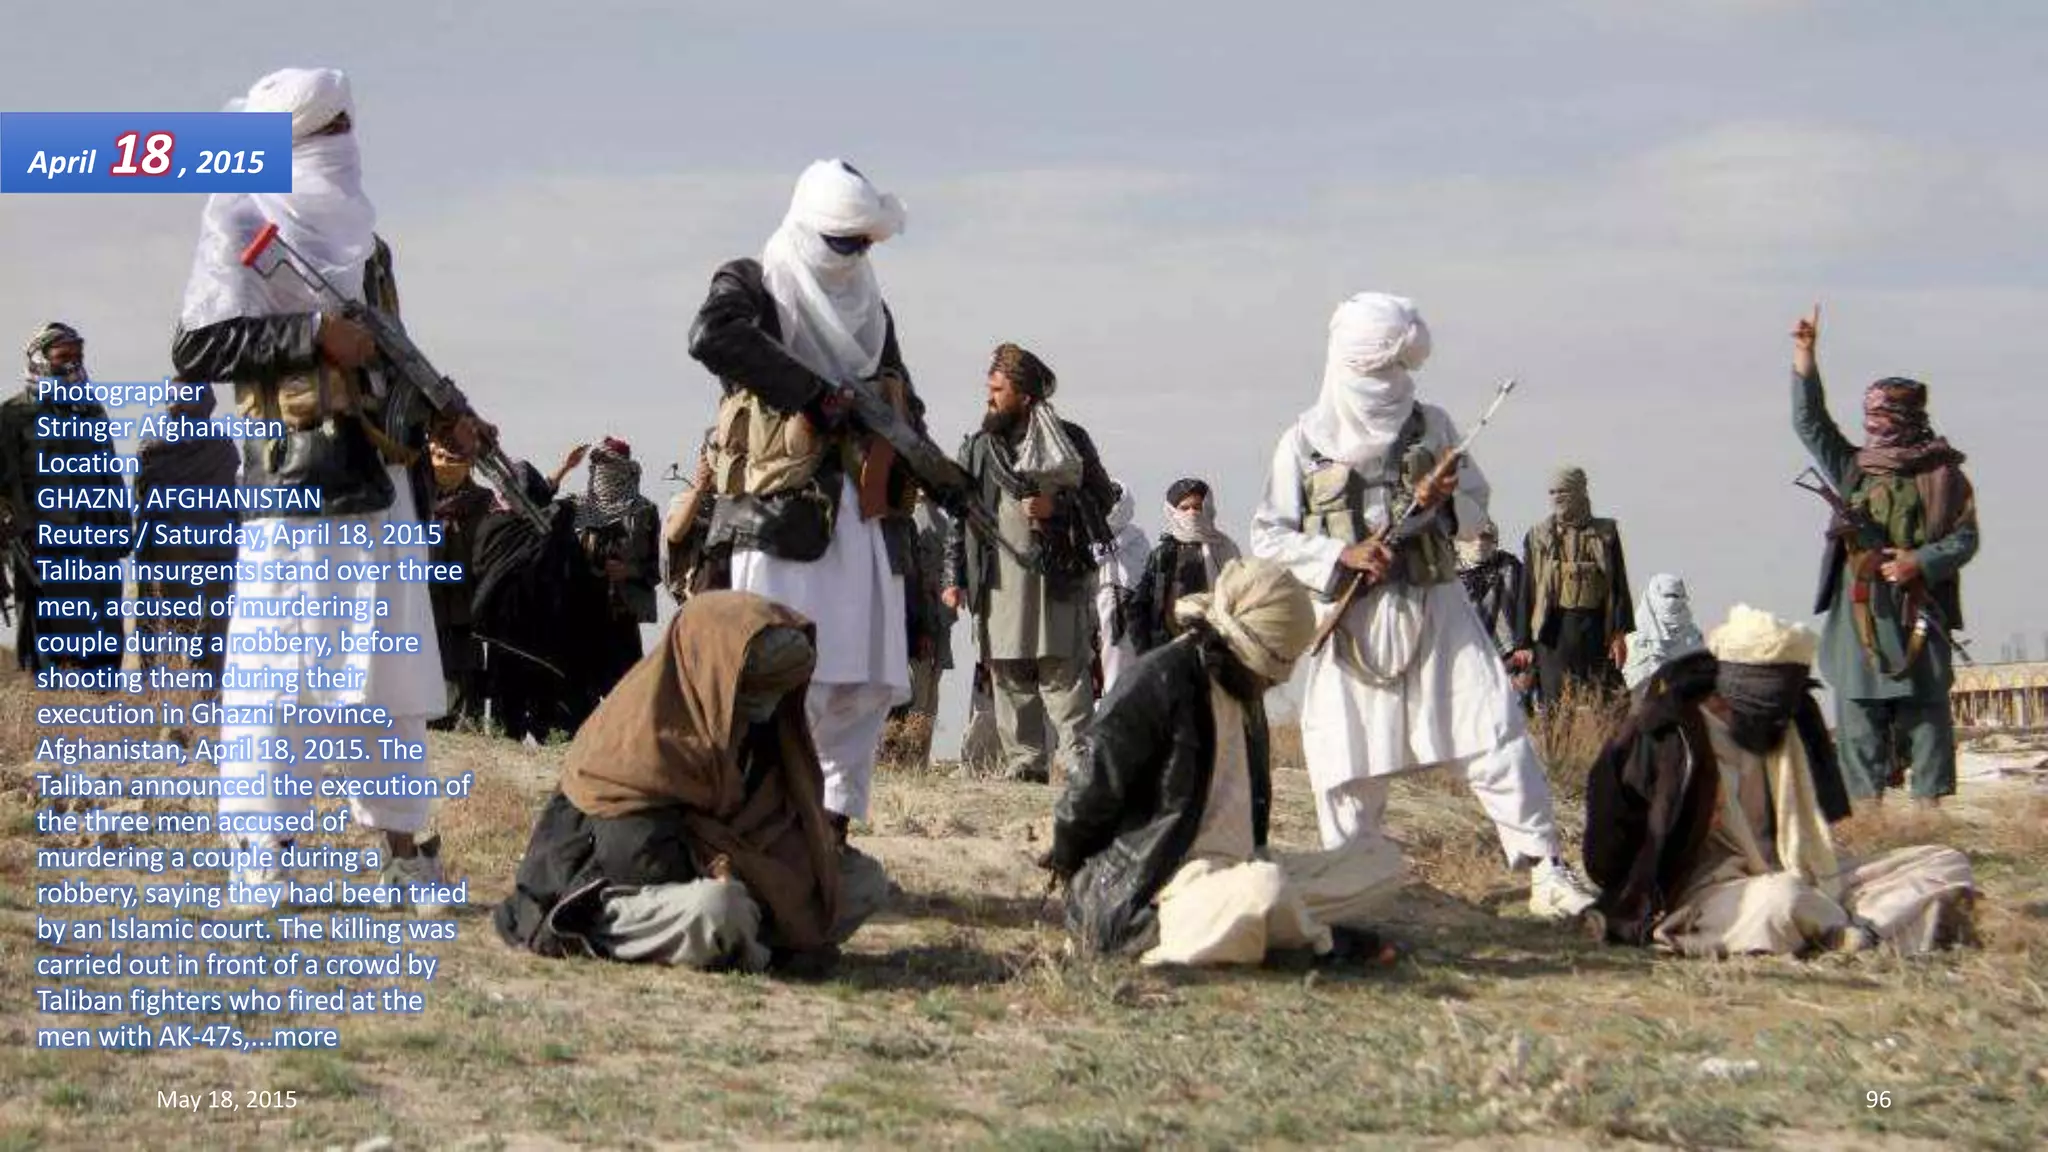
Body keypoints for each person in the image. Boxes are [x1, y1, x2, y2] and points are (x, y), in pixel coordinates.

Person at [171, 68, 472, 906]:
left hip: (376, 489)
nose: (342, 149)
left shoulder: (371, 247)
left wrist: (450, 419)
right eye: (324, 133)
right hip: (293, 490)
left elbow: (391, 361)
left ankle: (407, 855)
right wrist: (311, 333)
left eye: (346, 129)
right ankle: (261, 856)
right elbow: (197, 347)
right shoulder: (241, 215)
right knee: (280, 677)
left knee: (390, 680)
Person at [1249, 292, 1599, 920]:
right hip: (1352, 621)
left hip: (1437, 608)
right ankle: (1356, 880)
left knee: (1493, 727)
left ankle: (1545, 868)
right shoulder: (1301, 441)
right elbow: (1268, 535)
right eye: (1379, 370)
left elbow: (1476, 511)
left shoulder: (1432, 424)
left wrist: (1439, 499)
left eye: (1399, 370)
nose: (1391, 383)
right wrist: (1340, 557)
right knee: (1348, 758)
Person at [689, 158, 922, 839]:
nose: (851, 257)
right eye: (841, 241)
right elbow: (714, 338)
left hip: (864, 520)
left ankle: (832, 844)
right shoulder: (755, 283)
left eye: (862, 244)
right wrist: (816, 397)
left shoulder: (873, 311)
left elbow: (902, 391)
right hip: (782, 521)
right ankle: (764, 838)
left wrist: (924, 459)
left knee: (860, 689)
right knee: (781, 682)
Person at [495, 591, 888, 973]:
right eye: (755, 684)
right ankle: (749, 945)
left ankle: (752, 935)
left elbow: (777, 820)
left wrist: (779, 869)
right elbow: (636, 861)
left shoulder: (761, 729)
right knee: (719, 910)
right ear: (715, 668)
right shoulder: (635, 740)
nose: (767, 703)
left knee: (860, 882)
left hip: (735, 874)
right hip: (622, 890)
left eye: (778, 686)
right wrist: (732, 869)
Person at [1046, 557, 1404, 966]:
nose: (1274, 683)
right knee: (1262, 891)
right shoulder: (1159, 680)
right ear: (1243, 648)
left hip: (1242, 867)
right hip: (1162, 885)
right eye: (1269, 672)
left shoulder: (1244, 691)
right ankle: (1309, 943)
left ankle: (1265, 926)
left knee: (1381, 862)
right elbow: (1091, 790)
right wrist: (1080, 883)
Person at [1584, 605, 1976, 956]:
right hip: (1711, 888)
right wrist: (1635, 894)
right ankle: (1857, 928)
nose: (1782, 716)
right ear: (1734, 688)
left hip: (1804, 868)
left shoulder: (1793, 722)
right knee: (1782, 901)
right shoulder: (1667, 734)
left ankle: (1846, 930)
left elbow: (1822, 825)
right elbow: (1605, 852)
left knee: (1946, 861)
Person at [1790, 306, 1978, 807]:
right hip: (1860, 619)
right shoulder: (1853, 468)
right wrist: (1805, 357)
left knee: (1928, 730)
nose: (1875, 425)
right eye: (1870, 415)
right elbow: (1810, 424)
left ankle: (1928, 828)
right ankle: (1867, 829)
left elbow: (1964, 539)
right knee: (1859, 734)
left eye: (1885, 416)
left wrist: (1919, 562)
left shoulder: (1944, 476)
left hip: (1921, 612)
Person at [943, 343, 1116, 784]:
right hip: (999, 580)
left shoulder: (1070, 440)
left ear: (1025, 395)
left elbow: (1101, 498)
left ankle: (1078, 763)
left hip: (1057, 575)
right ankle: (1025, 763)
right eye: (989, 389)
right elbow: (958, 517)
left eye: (999, 390)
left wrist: (1056, 507)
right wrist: (953, 578)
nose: (990, 398)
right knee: (1008, 671)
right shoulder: (980, 448)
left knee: (1062, 671)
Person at [0, 323, 129, 673]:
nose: (72, 364)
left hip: (98, 548)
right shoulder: (12, 415)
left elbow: (110, 474)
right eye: (62, 357)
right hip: (44, 552)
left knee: (104, 647)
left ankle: (99, 720)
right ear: (40, 361)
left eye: (78, 356)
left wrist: (121, 526)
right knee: (50, 655)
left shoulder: (91, 411)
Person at [131, 383, 239, 700]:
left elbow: (142, 506)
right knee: (212, 633)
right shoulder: (225, 448)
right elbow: (235, 505)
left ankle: (159, 698)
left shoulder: (151, 449)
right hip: (217, 554)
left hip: (169, 553)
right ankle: (208, 700)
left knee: (170, 629)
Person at [1523, 466, 1633, 706]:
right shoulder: (1537, 536)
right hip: (1552, 633)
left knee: (1605, 703)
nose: (1557, 497)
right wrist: (1523, 643)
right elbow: (1528, 591)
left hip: (1594, 630)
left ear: (1579, 491)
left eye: (1563, 491)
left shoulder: (1606, 532)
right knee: (1555, 705)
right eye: (1552, 492)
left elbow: (1618, 584)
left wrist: (1618, 633)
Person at [566, 437, 660, 698]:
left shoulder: (645, 512)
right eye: (597, 463)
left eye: (609, 464)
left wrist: (630, 571)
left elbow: (657, 567)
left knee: (626, 691)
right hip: (581, 611)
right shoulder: (575, 508)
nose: (601, 470)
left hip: (623, 614)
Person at [1128, 478, 1243, 656]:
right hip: (1171, 649)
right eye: (1184, 508)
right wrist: (1145, 653)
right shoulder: (1163, 555)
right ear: (1173, 511)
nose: (1192, 513)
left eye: (1197, 507)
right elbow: (1140, 607)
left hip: (1219, 648)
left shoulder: (1226, 549)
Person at [425, 434, 493, 731]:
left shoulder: (482, 501)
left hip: (466, 595)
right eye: (440, 458)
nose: (445, 465)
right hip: (429, 594)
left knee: (465, 661)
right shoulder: (420, 497)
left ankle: (468, 719)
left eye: (453, 460)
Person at [882, 493, 954, 769]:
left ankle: (908, 761)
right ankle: (905, 760)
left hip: (924, 624)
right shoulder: (919, 522)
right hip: (917, 626)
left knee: (920, 695)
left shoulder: (917, 523)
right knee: (917, 695)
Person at [1456, 520, 1534, 709]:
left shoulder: (1510, 567)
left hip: (1510, 659)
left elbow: (1527, 605)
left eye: (1486, 537)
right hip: (1462, 658)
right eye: (1472, 537)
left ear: (1496, 541)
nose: (1479, 542)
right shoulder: (1447, 576)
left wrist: (1525, 645)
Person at [1094, 479, 1152, 694]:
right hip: (1088, 607)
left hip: (1124, 610)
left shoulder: (1136, 537)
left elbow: (1142, 576)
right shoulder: (1083, 536)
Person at [1620, 573, 1704, 698]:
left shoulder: (1694, 637)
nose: (1671, 602)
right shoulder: (1630, 643)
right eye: (1666, 596)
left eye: (1675, 597)